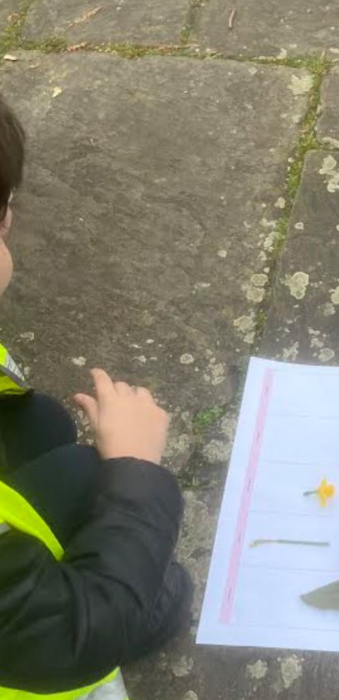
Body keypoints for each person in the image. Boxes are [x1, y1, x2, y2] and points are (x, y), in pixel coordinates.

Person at [0, 95, 192, 695]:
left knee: (40, 425)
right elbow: (69, 637)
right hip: (44, 649)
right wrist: (136, 476)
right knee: (158, 589)